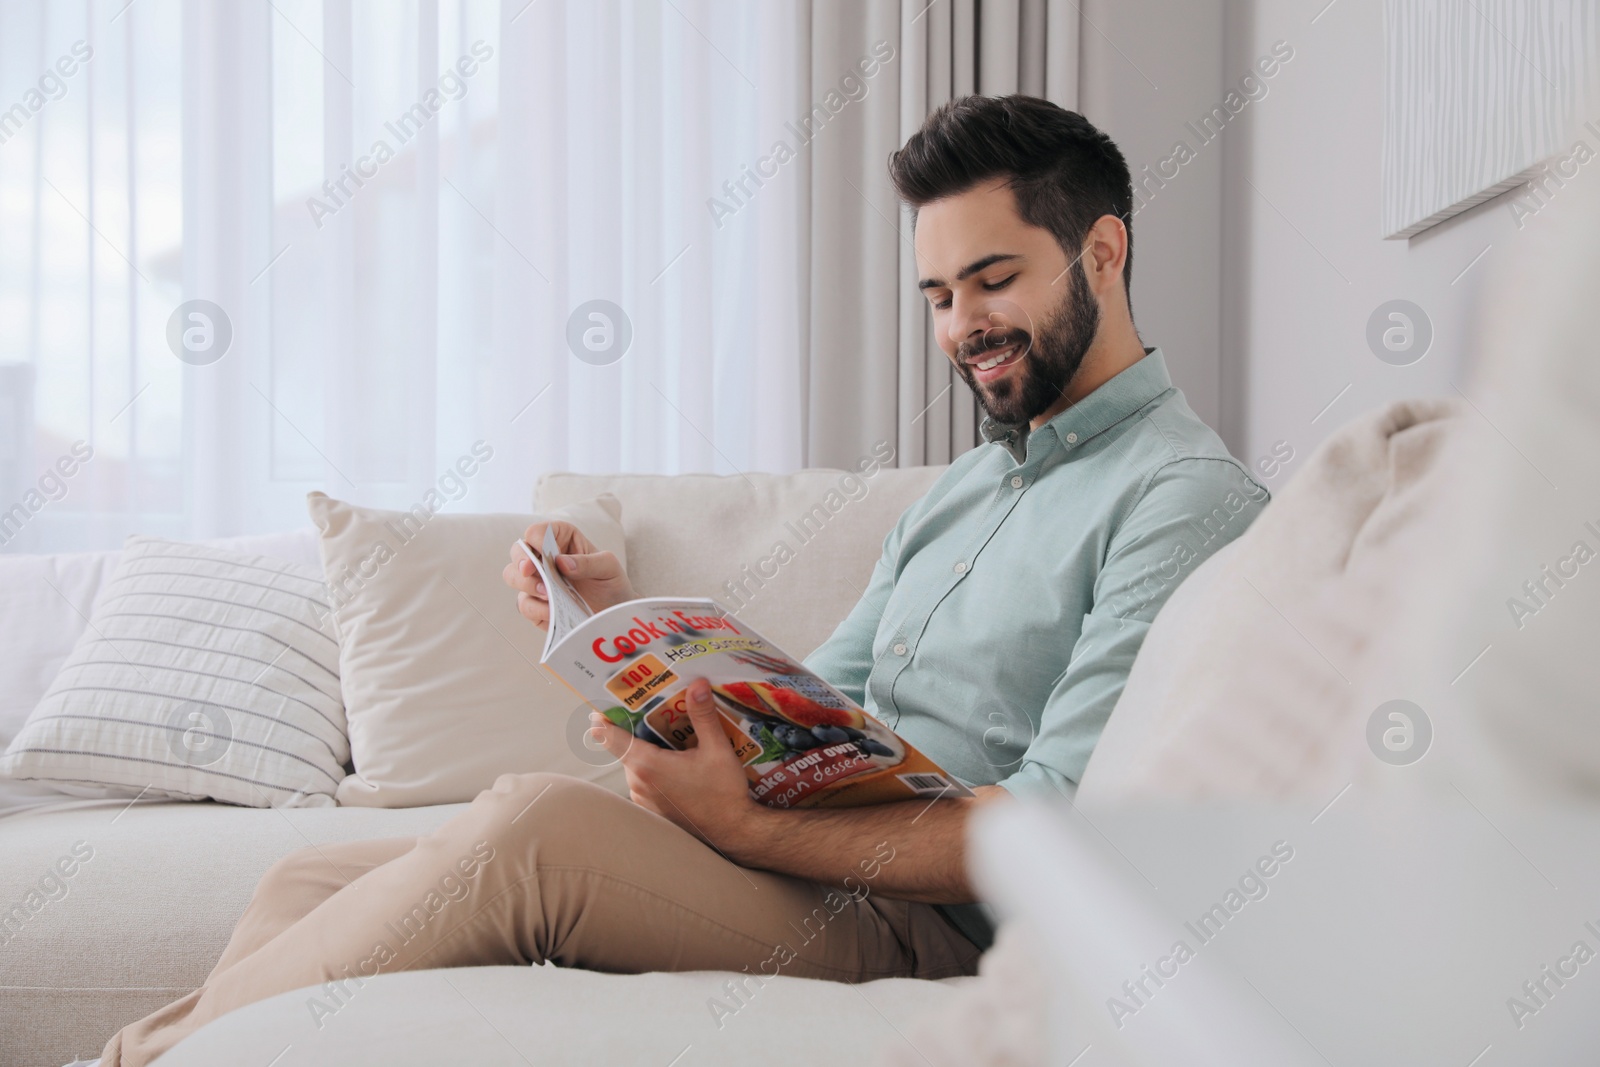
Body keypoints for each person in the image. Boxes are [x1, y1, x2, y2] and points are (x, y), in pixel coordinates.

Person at [96, 94, 1267, 1067]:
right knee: (306, 873)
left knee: (531, 824)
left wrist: (747, 828)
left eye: (992, 280)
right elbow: (825, 704)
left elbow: (1054, 831)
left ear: (1101, 251)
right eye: (938, 296)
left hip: (943, 928)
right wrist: (621, 625)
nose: (963, 325)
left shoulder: (1182, 498)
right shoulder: (965, 488)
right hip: (817, 868)